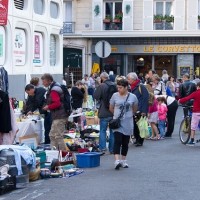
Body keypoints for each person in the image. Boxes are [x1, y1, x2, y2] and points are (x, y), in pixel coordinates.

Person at [109, 79, 138, 169]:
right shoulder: (114, 96)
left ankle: (123, 160)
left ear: (126, 87)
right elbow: (111, 107)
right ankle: (117, 161)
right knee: (117, 140)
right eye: (118, 87)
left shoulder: (133, 97)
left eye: (120, 87)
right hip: (117, 123)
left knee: (125, 142)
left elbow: (135, 108)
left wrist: (129, 115)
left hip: (128, 122)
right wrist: (116, 116)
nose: (119, 89)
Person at [41, 73, 68, 150]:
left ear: (49, 81)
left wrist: (48, 107)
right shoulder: (56, 87)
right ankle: (54, 154)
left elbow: (57, 103)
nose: (42, 83)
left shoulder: (54, 90)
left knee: (57, 136)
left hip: (59, 115)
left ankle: (63, 155)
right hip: (59, 115)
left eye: (44, 81)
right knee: (53, 135)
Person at [93, 72, 115, 154]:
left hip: (104, 111)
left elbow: (95, 96)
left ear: (102, 78)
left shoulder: (102, 86)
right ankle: (112, 149)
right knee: (113, 131)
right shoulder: (114, 85)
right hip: (113, 111)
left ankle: (102, 148)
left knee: (103, 130)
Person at [127, 72, 149, 146]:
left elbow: (145, 98)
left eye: (129, 79)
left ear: (133, 79)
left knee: (140, 125)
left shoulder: (141, 86)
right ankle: (137, 138)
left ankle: (140, 140)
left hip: (140, 109)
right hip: (133, 109)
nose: (128, 80)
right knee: (134, 125)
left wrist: (144, 111)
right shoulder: (130, 87)